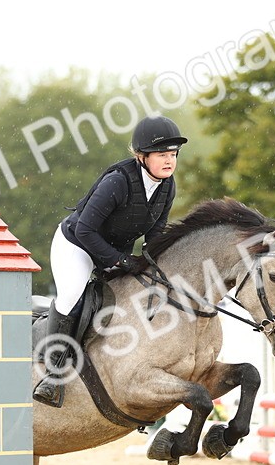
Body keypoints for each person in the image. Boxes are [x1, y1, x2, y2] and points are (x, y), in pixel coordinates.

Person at [32, 115, 187, 407]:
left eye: (173, 155)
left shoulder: (167, 187)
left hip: (115, 251)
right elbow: (85, 230)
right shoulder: (118, 181)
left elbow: (155, 234)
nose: (169, 161)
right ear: (142, 157)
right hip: (76, 245)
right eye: (162, 155)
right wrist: (119, 261)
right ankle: (52, 375)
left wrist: (157, 265)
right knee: (71, 298)